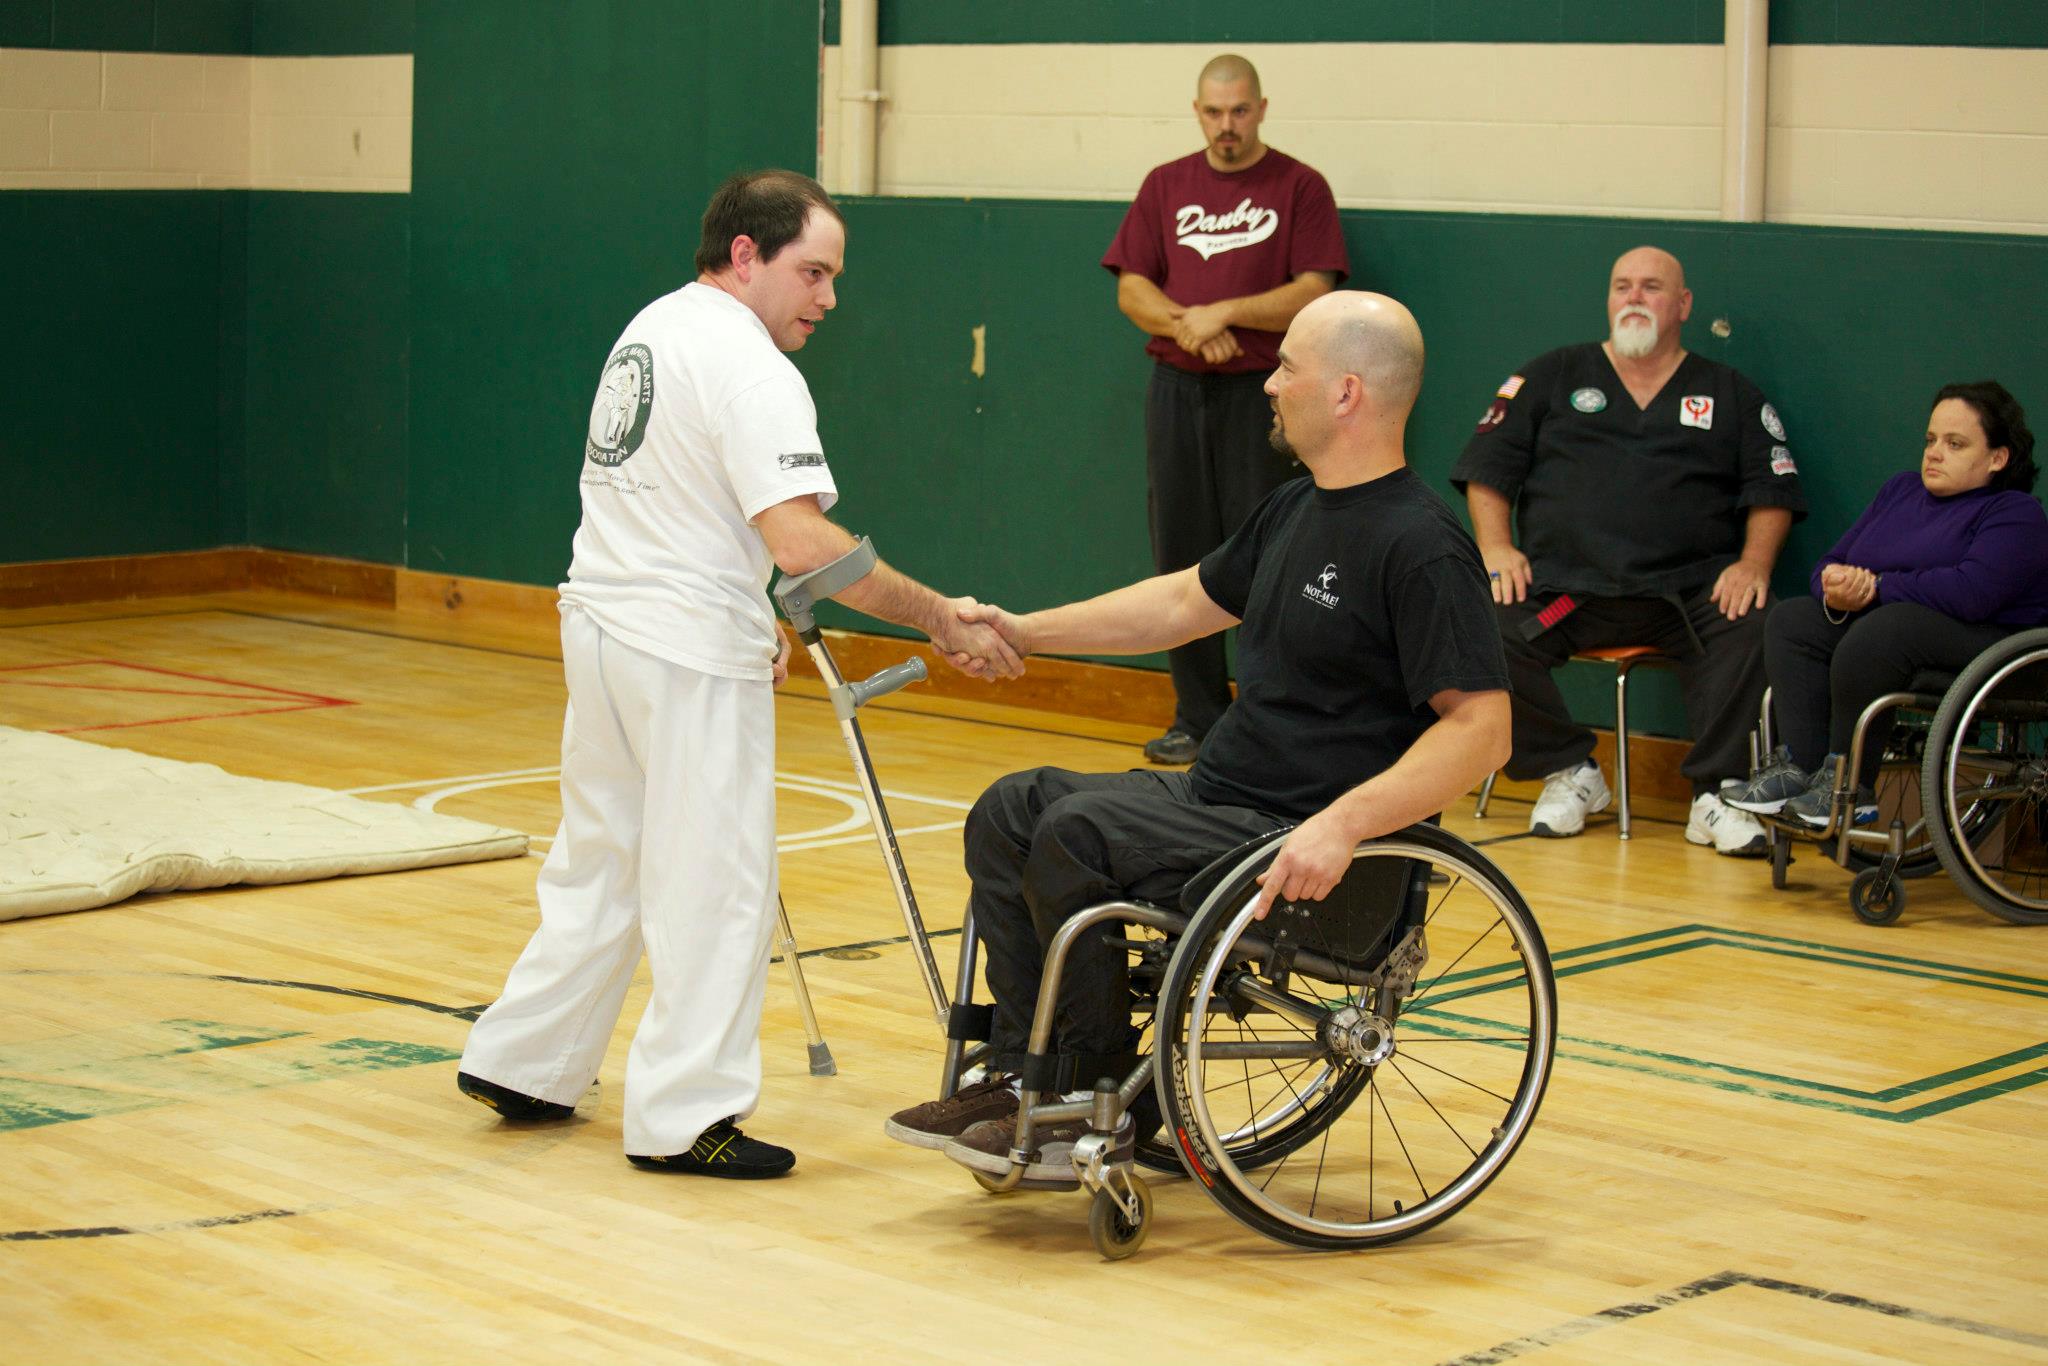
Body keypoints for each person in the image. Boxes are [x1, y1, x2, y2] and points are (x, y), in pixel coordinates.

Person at [456, 170, 1020, 1180]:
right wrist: (939, 615)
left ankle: (524, 1060)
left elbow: (677, 497)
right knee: (715, 884)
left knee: (603, 857)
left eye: (835, 277)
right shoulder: (754, 369)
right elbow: (803, 541)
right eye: (813, 272)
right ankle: (684, 1117)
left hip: (600, 622)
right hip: (678, 652)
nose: (828, 299)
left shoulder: (652, 328)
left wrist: (742, 597)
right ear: (747, 255)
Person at [882, 292, 1511, 1182]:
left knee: (1078, 835)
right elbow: (1180, 604)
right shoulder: (1296, 508)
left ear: (1345, 393)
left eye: (1287, 366)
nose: (1269, 384)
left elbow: (1483, 731)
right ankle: (1027, 1071)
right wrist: (1024, 629)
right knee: (1012, 807)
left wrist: (1344, 824)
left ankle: (1088, 1090)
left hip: (1302, 830)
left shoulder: (1422, 545)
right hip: (1220, 796)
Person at [1450, 245, 1806, 855]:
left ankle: (1714, 795)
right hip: (1572, 591)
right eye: (1622, 286)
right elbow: (1488, 469)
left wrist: (1754, 564)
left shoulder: (1729, 392)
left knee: (1756, 625)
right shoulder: (1552, 375)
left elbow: (1771, 489)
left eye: (1651, 287)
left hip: (1688, 594)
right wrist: (1496, 547)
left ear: (1684, 304)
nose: (1634, 298)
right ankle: (1570, 771)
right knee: (1477, 626)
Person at [1102, 53, 1350, 767]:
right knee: (1182, 551)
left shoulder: (1300, 186)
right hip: (1178, 394)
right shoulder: (1165, 184)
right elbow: (1132, 290)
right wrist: (1189, 324)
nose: (1227, 125)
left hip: (1268, 398)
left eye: (1240, 111)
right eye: (1214, 112)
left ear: (1262, 109)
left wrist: (1224, 313)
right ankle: (1198, 717)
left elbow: (1313, 287)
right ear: (1197, 111)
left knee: (1273, 553)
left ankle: (1275, 714)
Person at [1729, 381, 2048, 824]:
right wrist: (1835, 587)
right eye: (1931, 440)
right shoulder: (1901, 491)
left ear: (1998, 457)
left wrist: (1876, 588)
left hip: (1994, 646)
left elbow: (1972, 592)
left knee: (1884, 628)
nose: (1934, 453)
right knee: (1793, 620)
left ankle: (1849, 785)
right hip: (1894, 630)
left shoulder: (2014, 512)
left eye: (1955, 444)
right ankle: (1801, 768)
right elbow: (1832, 562)